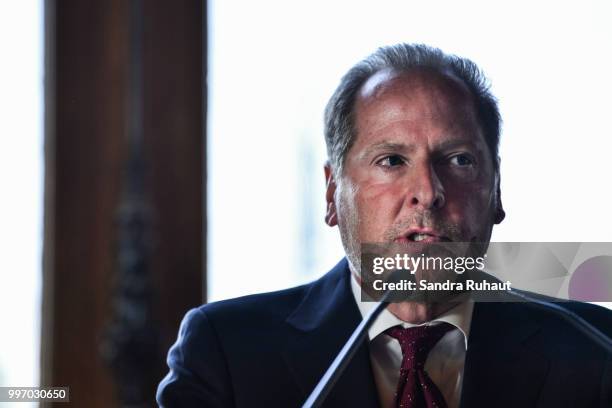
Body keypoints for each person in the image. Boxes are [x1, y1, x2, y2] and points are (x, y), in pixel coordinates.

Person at [157, 44, 612, 407]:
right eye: (392, 160)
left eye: (458, 160)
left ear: (496, 192)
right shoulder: (226, 353)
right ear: (333, 193)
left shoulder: (594, 350)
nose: (429, 191)